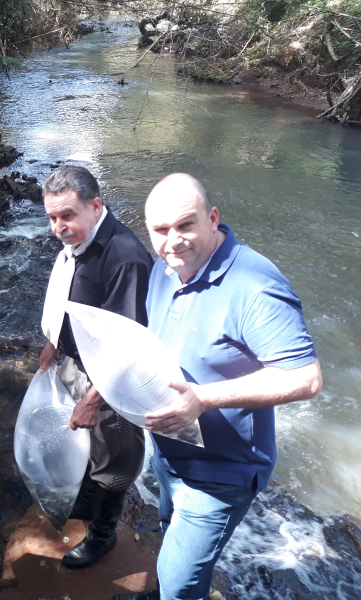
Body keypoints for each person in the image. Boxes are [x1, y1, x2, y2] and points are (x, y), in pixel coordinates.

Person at [133, 173, 322, 600]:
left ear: (213, 218)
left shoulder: (256, 286)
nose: (173, 241)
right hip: (170, 452)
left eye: (186, 225)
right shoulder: (165, 270)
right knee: (169, 549)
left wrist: (202, 399)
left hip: (222, 470)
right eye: (160, 230)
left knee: (178, 585)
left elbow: (306, 378)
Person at [38, 166, 154, 569]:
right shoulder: (79, 241)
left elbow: (130, 345)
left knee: (115, 460)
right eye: (52, 217)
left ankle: (102, 536)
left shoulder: (124, 258)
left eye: (67, 215)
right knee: (88, 446)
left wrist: (93, 398)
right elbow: (68, 295)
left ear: (96, 205)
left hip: (112, 381)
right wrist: (52, 344)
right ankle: (86, 502)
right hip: (77, 362)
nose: (58, 227)